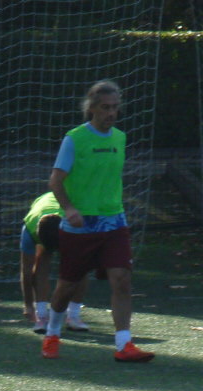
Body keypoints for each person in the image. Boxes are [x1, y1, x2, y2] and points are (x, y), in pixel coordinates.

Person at [41, 80, 154, 362]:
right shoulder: (75, 139)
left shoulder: (120, 138)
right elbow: (55, 180)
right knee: (67, 285)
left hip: (114, 222)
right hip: (80, 227)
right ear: (91, 108)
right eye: (105, 107)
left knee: (122, 279)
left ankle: (123, 344)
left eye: (115, 107)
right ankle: (52, 333)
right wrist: (69, 209)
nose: (111, 113)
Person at [21, 192, 90, 334]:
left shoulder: (76, 225)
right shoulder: (29, 230)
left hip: (71, 212)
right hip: (43, 208)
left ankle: (74, 316)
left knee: (80, 266)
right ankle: (41, 316)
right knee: (41, 261)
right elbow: (26, 271)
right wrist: (28, 305)